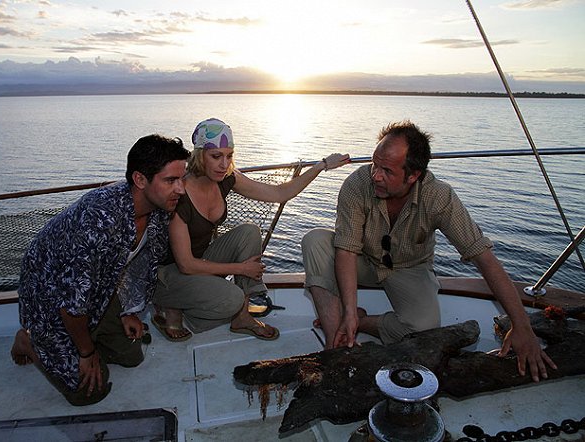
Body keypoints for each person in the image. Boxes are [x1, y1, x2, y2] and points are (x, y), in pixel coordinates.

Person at [302, 120, 556, 382]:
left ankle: (364, 323)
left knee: (423, 328)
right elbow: (346, 250)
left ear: (413, 175)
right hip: (363, 261)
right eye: (374, 164)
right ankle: (338, 344)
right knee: (316, 241)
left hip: (408, 267)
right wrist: (350, 310)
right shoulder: (358, 185)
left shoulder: (438, 197)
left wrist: (521, 325)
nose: (375, 175)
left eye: (387, 170)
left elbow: (483, 256)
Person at [10, 134, 190, 405]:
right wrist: (85, 352)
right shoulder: (97, 222)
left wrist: (129, 309)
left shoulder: (159, 208)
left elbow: (136, 262)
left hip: (94, 290)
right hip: (50, 295)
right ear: (140, 180)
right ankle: (30, 341)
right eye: (170, 181)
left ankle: (88, 337)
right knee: (87, 391)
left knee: (132, 356)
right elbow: (71, 304)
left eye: (182, 179)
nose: (181, 189)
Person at [152, 118, 350, 341]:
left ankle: (242, 317)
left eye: (229, 155)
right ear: (199, 155)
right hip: (169, 273)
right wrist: (241, 269)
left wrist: (321, 165)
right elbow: (186, 265)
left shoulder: (225, 179)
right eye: (216, 156)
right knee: (231, 298)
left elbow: (279, 194)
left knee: (249, 232)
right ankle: (172, 306)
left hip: (201, 261)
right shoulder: (180, 193)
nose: (224, 164)